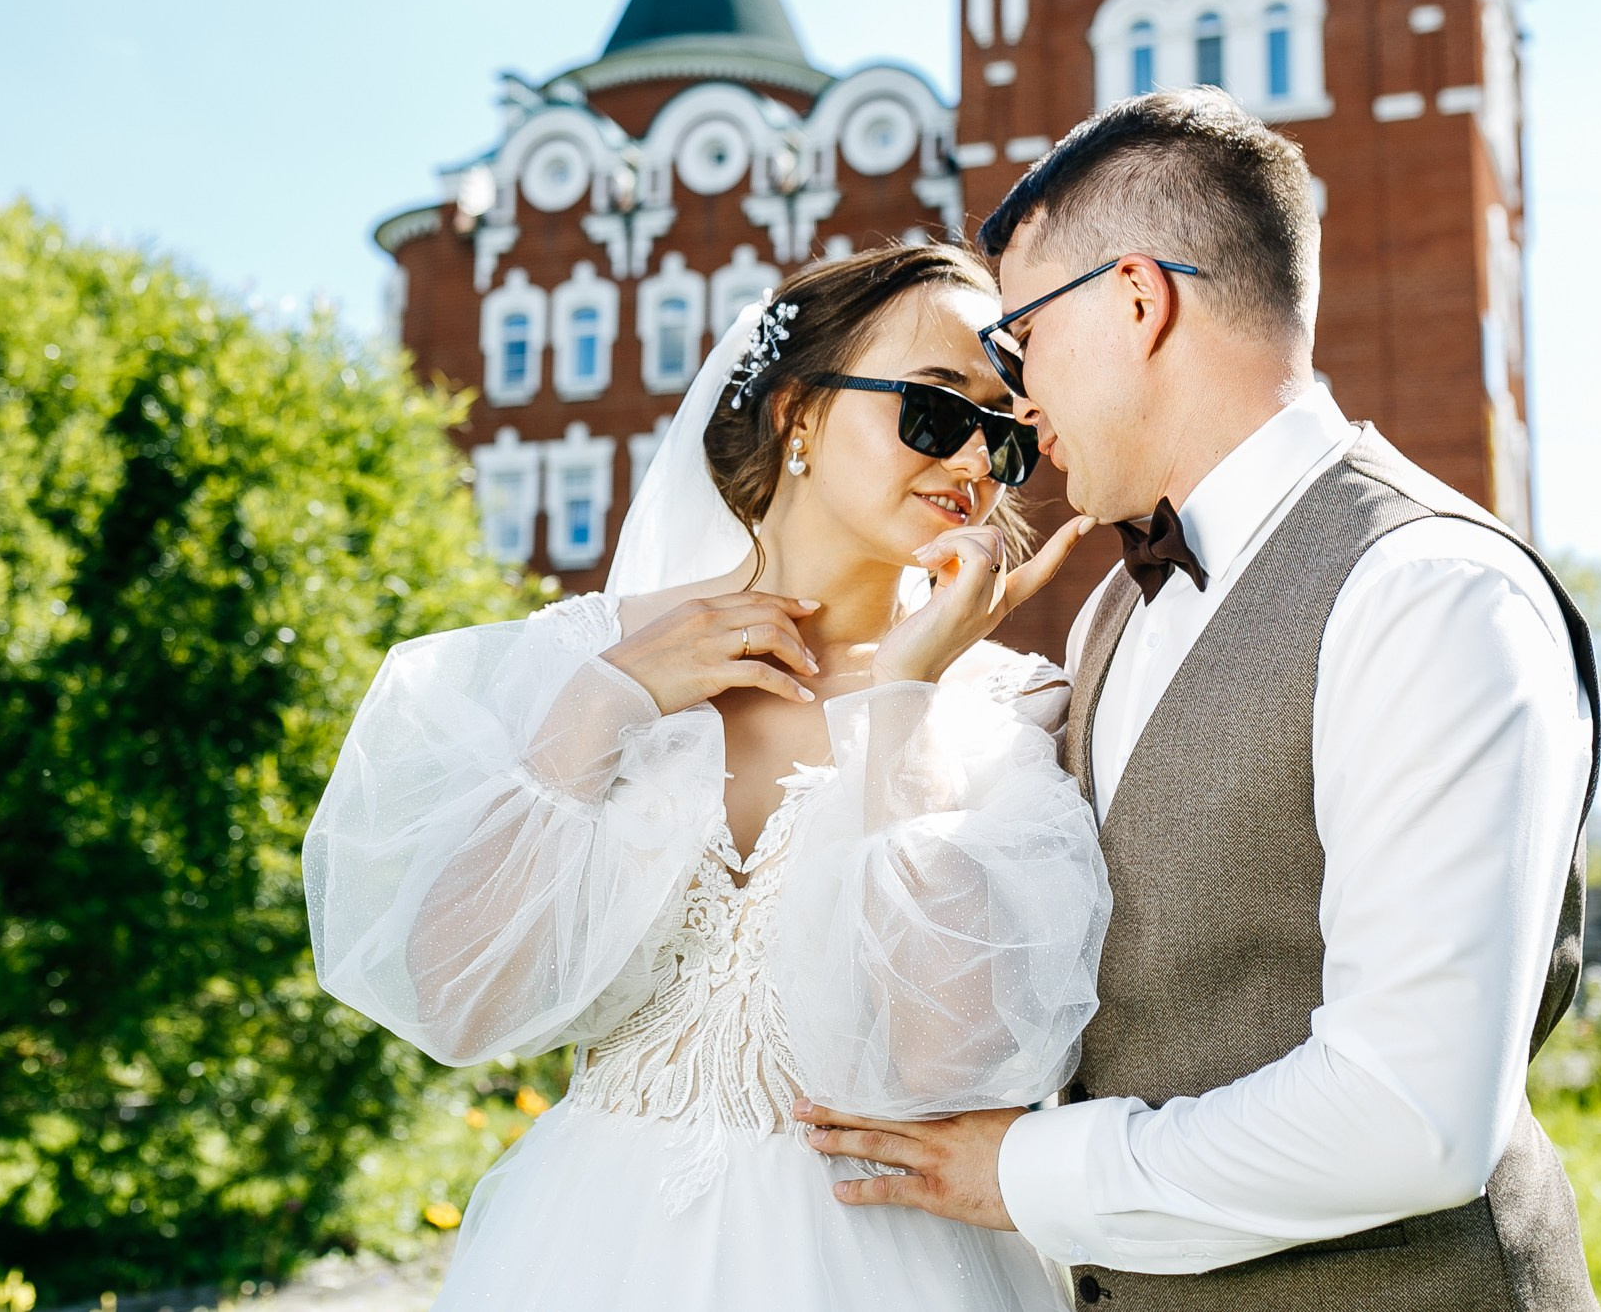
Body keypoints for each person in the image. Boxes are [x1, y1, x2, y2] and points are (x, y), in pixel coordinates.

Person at [797, 89, 1601, 1310]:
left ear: (1135, 300)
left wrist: (1023, 1172)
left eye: (1020, 340)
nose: (1014, 404)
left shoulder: (1429, 590)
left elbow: (1410, 1109)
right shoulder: (1114, 611)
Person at [304, 243, 1113, 1311]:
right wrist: (605, 702)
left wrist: (905, 696)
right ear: (798, 414)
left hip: (889, 1268)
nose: (973, 457)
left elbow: (941, 1063)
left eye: (1005, 433)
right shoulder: (581, 656)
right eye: (934, 408)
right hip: (587, 1254)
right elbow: (456, 996)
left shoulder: (1004, 708)